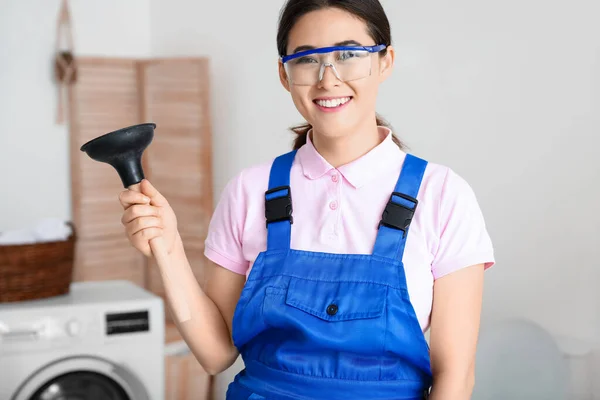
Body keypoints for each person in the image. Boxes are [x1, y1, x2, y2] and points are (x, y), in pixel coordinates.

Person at [118, 0, 495, 399]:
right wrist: (168, 246)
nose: (327, 79)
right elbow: (216, 354)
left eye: (349, 54)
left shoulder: (442, 195)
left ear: (385, 62)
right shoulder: (250, 190)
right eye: (305, 60)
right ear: (284, 74)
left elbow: (455, 378)